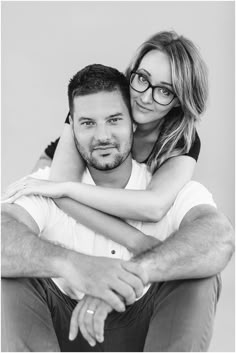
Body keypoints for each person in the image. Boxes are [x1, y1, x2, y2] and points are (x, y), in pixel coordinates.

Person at [2, 64, 234, 352]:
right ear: (71, 128)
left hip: (144, 329)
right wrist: (75, 266)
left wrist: (126, 275)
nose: (102, 136)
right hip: (63, 329)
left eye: (114, 120)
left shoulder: (166, 188)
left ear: (134, 124)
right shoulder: (46, 185)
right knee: (11, 270)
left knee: (199, 273)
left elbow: (218, 237)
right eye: (87, 123)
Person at [29, 31, 205, 238]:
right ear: (133, 71)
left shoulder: (181, 140)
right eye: (142, 78)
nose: (145, 98)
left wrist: (68, 190)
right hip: (51, 166)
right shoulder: (106, 100)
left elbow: (154, 207)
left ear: (180, 100)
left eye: (165, 91)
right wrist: (136, 241)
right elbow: (59, 191)